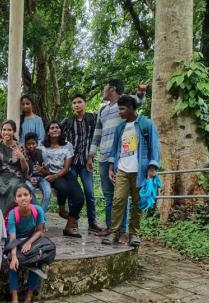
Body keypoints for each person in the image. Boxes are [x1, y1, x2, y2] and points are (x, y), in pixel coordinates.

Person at [87, 80, 146, 236]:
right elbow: (97, 134)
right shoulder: (102, 110)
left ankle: (122, 230)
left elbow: (137, 101)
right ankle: (110, 227)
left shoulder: (124, 102)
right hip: (104, 158)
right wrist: (91, 155)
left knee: (122, 195)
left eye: (104, 87)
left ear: (111, 88)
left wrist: (140, 93)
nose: (103, 90)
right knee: (108, 195)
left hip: (122, 157)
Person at [103, 95, 160, 247]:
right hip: (122, 169)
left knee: (137, 203)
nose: (119, 112)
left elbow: (155, 146)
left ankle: (134, 234)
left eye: (122, 109)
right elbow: (115, 149)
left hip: (140, 170)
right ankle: (114, 232)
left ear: (131, 108)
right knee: (118, 201)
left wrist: (152, 167)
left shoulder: (145, 124)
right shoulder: (120, 128)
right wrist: (110, 167)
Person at [61, 94, 103, 233]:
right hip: (71, 163)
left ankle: (92, 223)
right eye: (74, 102)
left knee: (90, 193)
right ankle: (74, 222)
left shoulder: (93, 118)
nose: (77, 105)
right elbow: (56, 134)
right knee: (74, 194)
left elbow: (97, 138)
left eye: (79, 102)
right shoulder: (67, 121)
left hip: (86, 162)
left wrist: (91, 157)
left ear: (85, 103)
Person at [6, 184, 46, 303]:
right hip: (15, 241)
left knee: (37, 261)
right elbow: (12, 238)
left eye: (26, 195)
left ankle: (29, 297)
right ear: (15, 199)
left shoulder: (38, 210)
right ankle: (15, 299)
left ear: (30, 196)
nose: (23, 198)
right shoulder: (13, 214)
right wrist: (14, 256)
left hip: (32, 239)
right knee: (13, 264)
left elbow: (40, 231)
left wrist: (29, 242)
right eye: (19, 196)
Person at [40, 121, 84, 237]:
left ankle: (68, 228)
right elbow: (38, 160)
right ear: (48, 132)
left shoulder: (67, 145)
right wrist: (46, 173)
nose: (55, 129)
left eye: (57, 127)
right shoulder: (42, 145)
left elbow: (66, 167)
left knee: (79, 198)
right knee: (63, 188)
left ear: (60, 130)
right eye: (52, 128)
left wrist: (55, 176)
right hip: (48, 173)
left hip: (63, 173)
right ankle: (62, 209)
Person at [0, 120, 29, 214]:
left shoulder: (20, 146)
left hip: (15, 175)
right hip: (1, 175)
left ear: (14, 132)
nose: (6, 132)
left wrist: (22, 158)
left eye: (9, 130)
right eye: (4, 130)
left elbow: (25, 169)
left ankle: (8, 216)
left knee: (14, 187)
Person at [23, 132, 51, 212]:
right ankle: (39, 213)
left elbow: (48, 172)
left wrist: (42, 170)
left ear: (37, 143)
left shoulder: (42, 153)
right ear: (25, 144)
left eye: (33, 143)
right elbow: (21, 173)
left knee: (48, 193)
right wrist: (29, 178)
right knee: (28, 191)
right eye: (28, 144)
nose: (31, 146)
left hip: (43, 178)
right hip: (29, 179)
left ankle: (40, 215)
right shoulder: (23, 155)